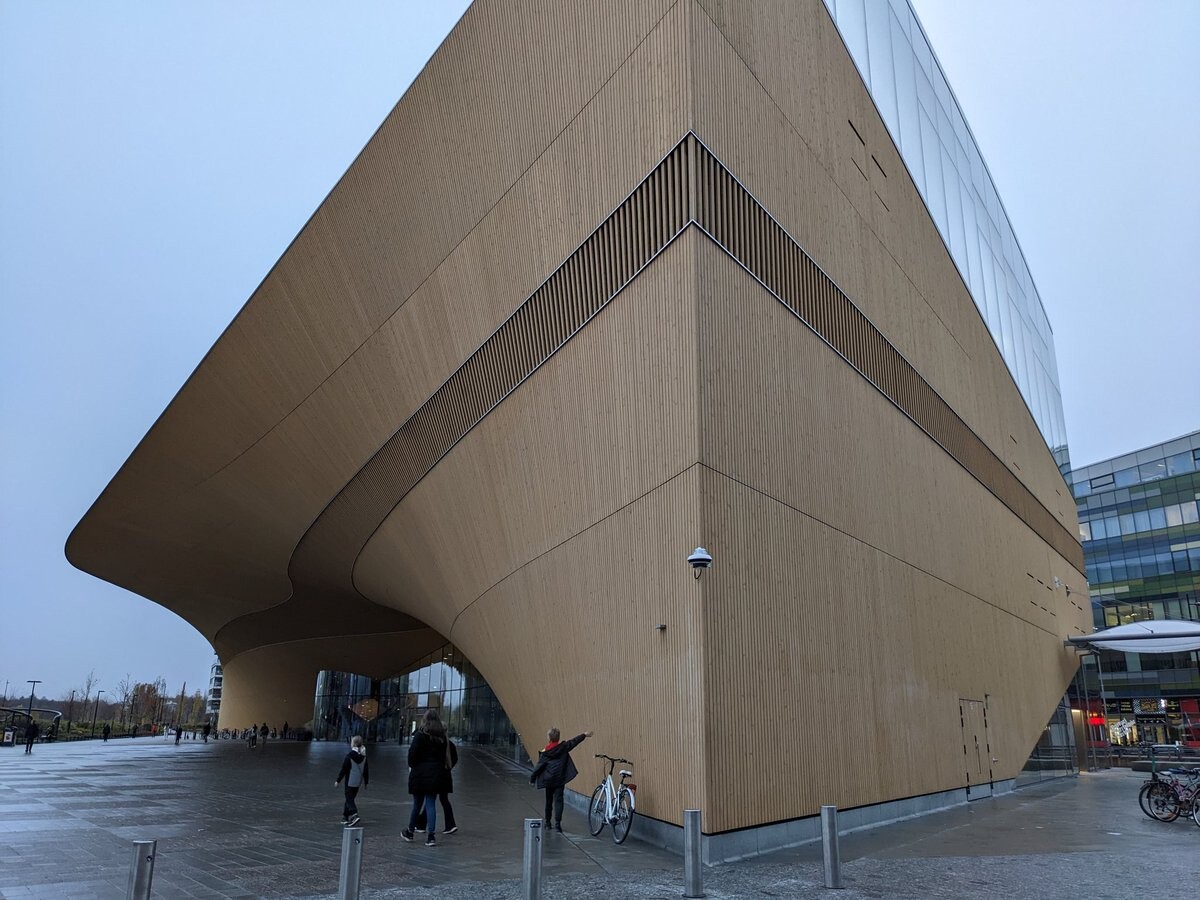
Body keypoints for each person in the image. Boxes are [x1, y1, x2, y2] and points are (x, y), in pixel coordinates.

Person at [401, 710, 449, 847]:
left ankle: (410, 831)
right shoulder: (442, 738)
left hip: (420, 774)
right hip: (435, 774)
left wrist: (414, 765)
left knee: (417, 804)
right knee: (431, 804)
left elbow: (412, 756)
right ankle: (431, 836)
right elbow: (443, 758)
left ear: (425, 720)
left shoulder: (420, 735)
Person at [530, 728, 592, 832]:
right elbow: (574, 741)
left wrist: (532, 779)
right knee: (559, 800)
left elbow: (538, 767)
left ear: (549, 738)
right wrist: (584, 735)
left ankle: (548, 823)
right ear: (558, 738)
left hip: (549, 780)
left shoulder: (546, 752)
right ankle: (558, 825)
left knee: (548, 801)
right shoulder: (563, 747)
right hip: (560, 779)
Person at [414, 736, 458, 835]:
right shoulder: (450, 744)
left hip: (436, 775)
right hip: (445, 776)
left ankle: (422, 825)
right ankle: (450, 824)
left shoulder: (437, 743)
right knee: (443, 799)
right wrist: (448, 768)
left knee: (431, 799)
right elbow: (455, 758)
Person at [334, 735, 369, 826]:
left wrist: (338, 780)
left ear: (353, 744)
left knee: (349, 799)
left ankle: (354, 814)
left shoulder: (349, 756)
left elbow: (344, 770)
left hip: (349, 781)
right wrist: (366, 782)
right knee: (350, 798)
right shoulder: (363, 757)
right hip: (358, 782)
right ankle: (345, 817)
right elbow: (366, 771)